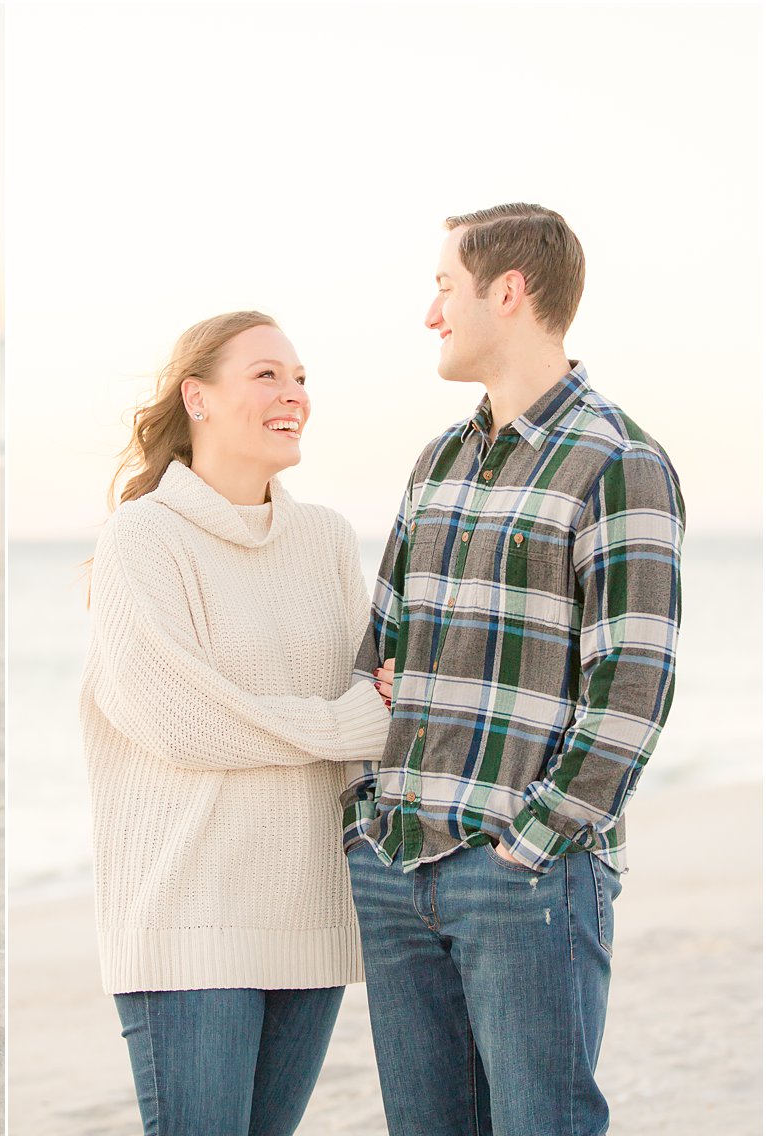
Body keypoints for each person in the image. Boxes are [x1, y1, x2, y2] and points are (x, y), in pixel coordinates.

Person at [343, 204, 685, 1135]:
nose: (431, 313)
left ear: (509, 291)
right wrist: (364, 822)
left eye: (444, 287)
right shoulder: (439, 460)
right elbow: (382, 650)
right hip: (398, 863)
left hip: (525, 876)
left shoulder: (619, 461)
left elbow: (632, 695)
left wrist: (529, 845)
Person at [79, 311, 393, 1136]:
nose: (293, 393)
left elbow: (377, 704)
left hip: (313, 912)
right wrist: (344, 723)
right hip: (189, 918)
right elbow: (180, 719)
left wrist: (370, 713)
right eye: (266, 375)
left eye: (300, 377)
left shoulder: (325, 538)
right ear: (199, 397)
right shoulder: (141, 537)